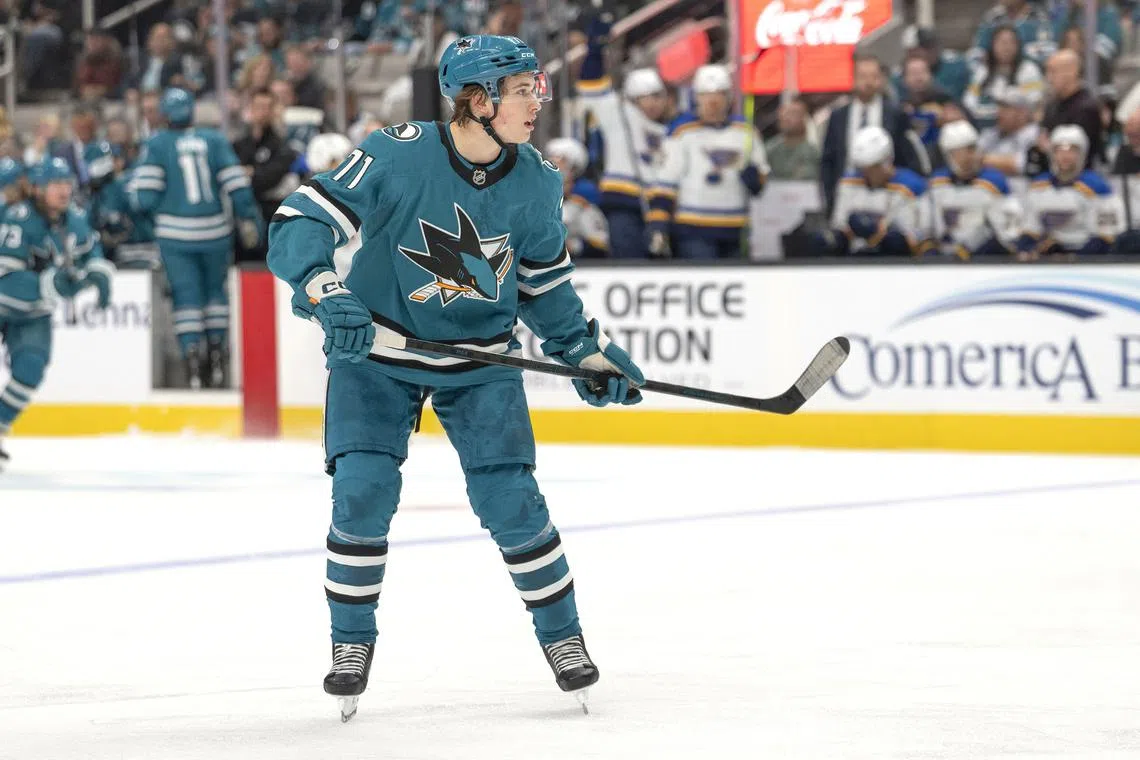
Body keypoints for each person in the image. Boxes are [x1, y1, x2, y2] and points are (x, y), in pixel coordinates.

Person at [266, 34, 644, 722]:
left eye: (536, 88)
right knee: (361, 493)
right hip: (376, 354)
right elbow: (299, 221)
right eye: (526, 89)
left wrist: (583, 351)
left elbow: (546, 288)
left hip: (480, 363)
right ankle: (350, 645)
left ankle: (564, 640)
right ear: (479, 99)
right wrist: (327, 289)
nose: (538, 102)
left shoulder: (535, 179)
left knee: (513, 502)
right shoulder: (398, 150)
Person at [127, 88, 263, 389]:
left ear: (164, 113)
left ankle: (192, 364)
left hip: (176, 236)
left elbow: (143, 198)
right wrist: (249, 218)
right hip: (215, 231)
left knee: (186, 297)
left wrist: (153, 221)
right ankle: (216, 360)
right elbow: (237, 187)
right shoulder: (214, 140)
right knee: (216, 294)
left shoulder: (158, 143)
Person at [0, 159, 114, 468]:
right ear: (38, 188)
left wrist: (99, 272)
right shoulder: (18, 218)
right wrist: (50, 284)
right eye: (56, 183)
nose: (64, 189)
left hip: (34, 314)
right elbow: (4, 278)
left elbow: (91, 249)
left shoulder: (74, 219)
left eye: (67, 182)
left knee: (31, 369)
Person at [647, 64, 768, 260]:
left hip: (734, 230)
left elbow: (761, 182)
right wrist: (658, 224)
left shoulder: (746, 133)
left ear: (728, 97)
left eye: (718, 94)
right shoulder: (682, 132)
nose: (712, 101)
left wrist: (754, 179)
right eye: (706, 94)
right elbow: (665, 183)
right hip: (692, 229)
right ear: (696, 97)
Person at [574, 17, 669, 257]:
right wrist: (595, 49)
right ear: (633, 99)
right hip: (622, 203)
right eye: (646, 96)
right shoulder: (620, 114)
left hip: (659, 210)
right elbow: (591, 86)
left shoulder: (670, 129)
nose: (653, 103)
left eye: (658, 96)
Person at [820, 52, 928, 215]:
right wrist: (830, 196)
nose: (868, 82)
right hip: (848, 194)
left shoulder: (895, 114)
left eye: (874, 76)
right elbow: (828, 160)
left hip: (887, 196)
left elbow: (908, 157)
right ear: (853, 79)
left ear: (881, 79)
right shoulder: (838, 116)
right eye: (863, 76)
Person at [815, 126, 929, 257]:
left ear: (887, 161)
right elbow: (840, 225)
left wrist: (876, 232)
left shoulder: (911, 186)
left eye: (873, 167)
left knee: (894, 242)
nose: (867, 173)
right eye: (863, 168)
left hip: (895, 261)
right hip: (854, 257)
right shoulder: (848, 182)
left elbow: (913, 239)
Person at [1016, 124, 1124, 259]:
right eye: (1059, 150)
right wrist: (1027, 250)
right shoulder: (1038, 186)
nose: (1065, 155)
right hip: (1049, 254)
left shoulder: (1098, 187)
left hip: (1087, 256)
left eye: (1072, 150)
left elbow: (1106, 236)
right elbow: (1030, 229)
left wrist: (1075, 257)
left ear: (1082, 154)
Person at [928, 120, 1022, 258]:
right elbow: (931, 226)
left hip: (984, 255)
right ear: (948, 154)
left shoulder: (994, 181)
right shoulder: (937, 183)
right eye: (959, 152)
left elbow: (1008, 228)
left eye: (972, 149)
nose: (968, 156)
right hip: (948, 253)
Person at [544, 137, 609, 258]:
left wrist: (573, 246)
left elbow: (602, 243)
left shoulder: (583, 208)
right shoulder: (532, 206)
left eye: (561, 165)